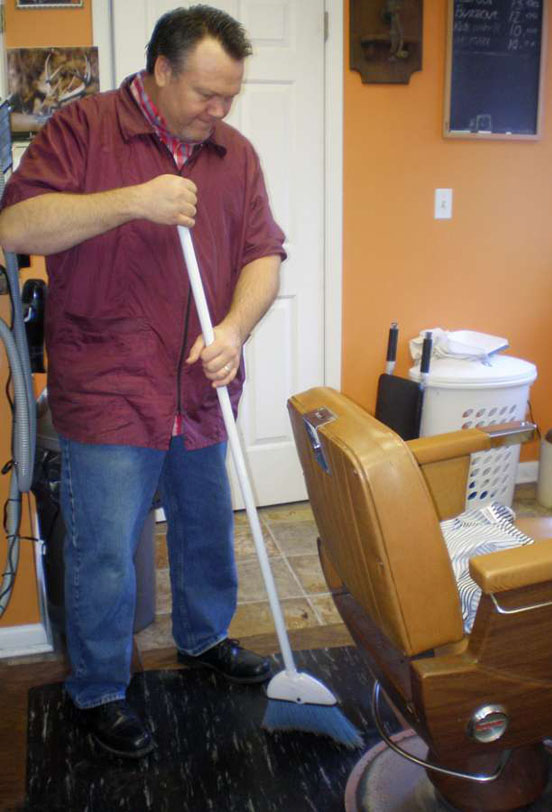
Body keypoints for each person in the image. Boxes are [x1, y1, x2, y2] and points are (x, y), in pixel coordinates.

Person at [0, 5, 286, 759]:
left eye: (230, 95)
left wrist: (232, 329)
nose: (219, 111)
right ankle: (96, 689)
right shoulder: (83, 130)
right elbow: (18, 226)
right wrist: (133, 200)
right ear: (161, 70)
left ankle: (203, 639)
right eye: (205, 94)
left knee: (204, 531)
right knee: (103, 551)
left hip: (199, 386)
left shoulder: (235, 154)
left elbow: (264, 254)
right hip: (109, 386)